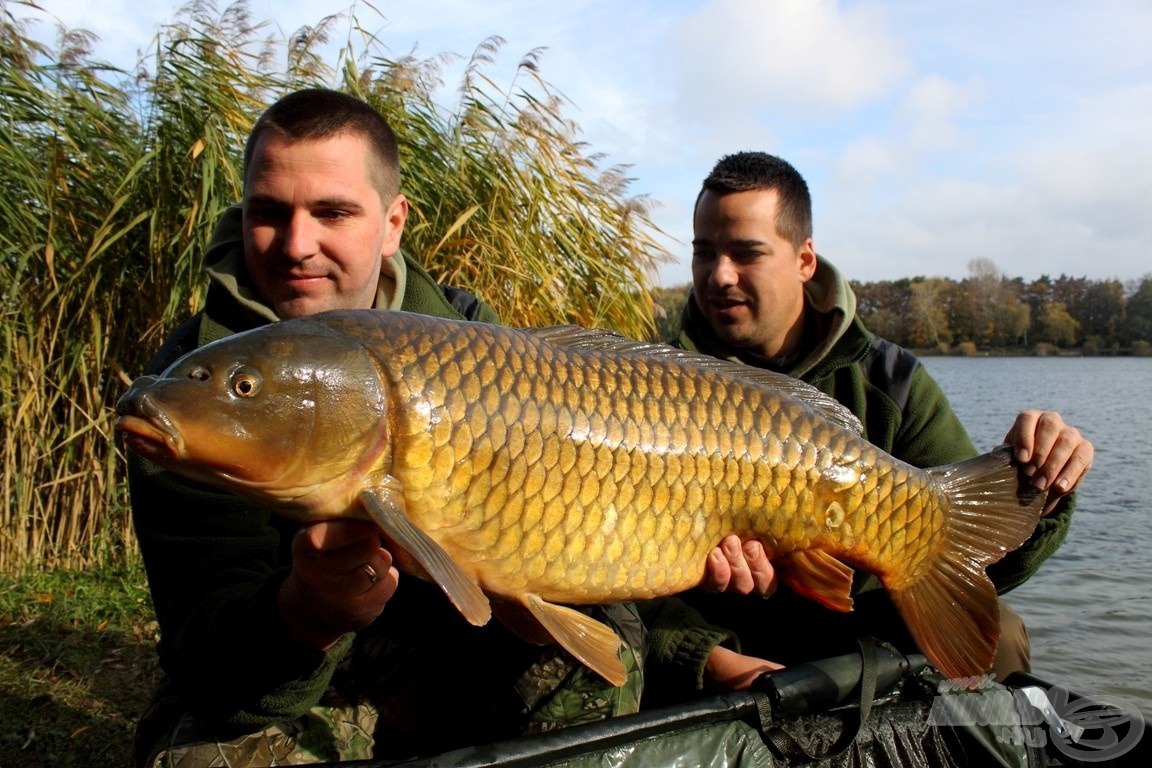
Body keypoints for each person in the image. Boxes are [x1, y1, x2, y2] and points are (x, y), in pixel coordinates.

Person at [126, 88, 645, 767]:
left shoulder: (477, 344)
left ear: (393, 221)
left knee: (591, 668)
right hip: (296, 669)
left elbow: (597, 549)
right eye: (269, 212)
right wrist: (307, 611)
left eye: (333, 212)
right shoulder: (192, 398)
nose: (296, 245)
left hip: (448, 645)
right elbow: (209, 653)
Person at [641, 151, 1094, 702]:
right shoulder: (647, 381)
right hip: (720, 633)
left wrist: (1040, 486)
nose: (719, 275)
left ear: (805, 259)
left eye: (747, 253)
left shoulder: (889, 380)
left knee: (1001, 636)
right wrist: (706, 658)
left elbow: (971, 566)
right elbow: (598, 571)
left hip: (854, 626)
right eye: (704, 253)